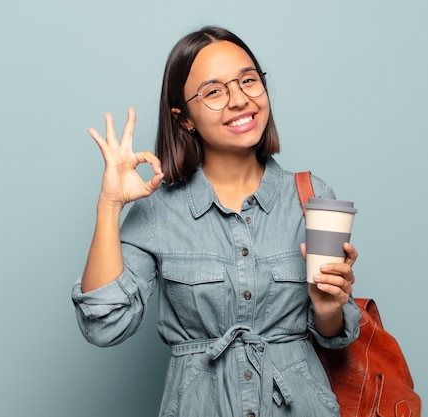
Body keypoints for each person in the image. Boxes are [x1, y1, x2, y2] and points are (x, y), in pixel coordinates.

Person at [72, 26, 361, 417]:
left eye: (248, 81)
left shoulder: (312, 198)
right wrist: (109, 206)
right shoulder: (158, 210)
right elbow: (104, 326)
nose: (240, 100)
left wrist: (328, 309)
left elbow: (334, 339)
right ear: (184, 118)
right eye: (213, 91)